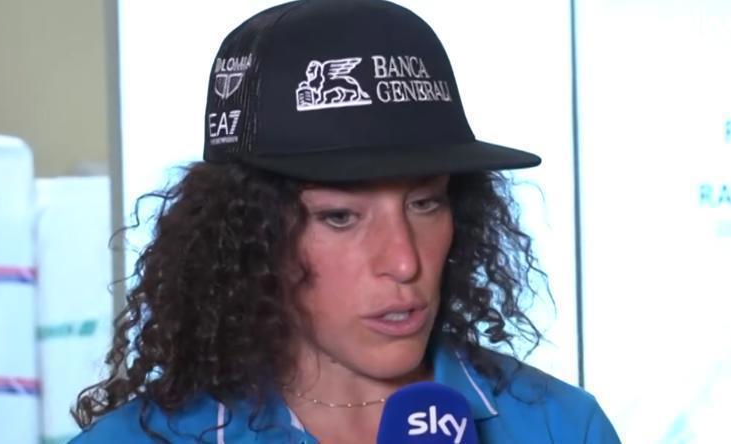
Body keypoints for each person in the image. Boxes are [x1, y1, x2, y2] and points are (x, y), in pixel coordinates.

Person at [70, 0, 621, 443]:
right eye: (340, 217)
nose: (404, 261)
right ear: (248, 239)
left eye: (426, 204)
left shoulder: (563, 428)